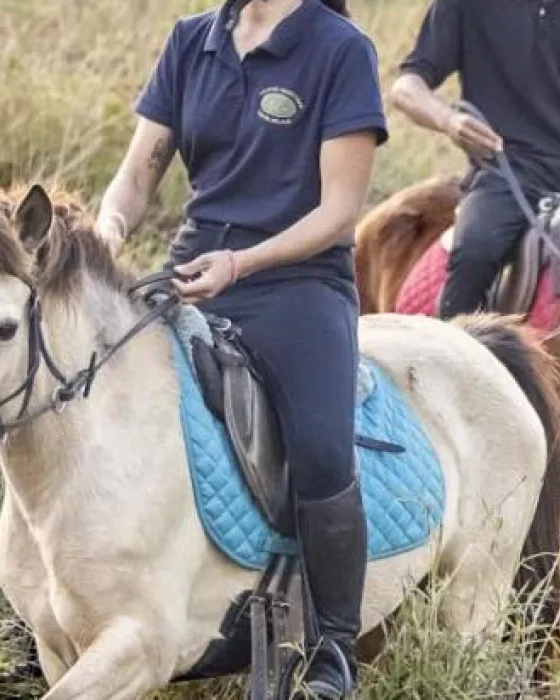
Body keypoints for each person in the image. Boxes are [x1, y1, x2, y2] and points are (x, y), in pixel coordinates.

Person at [93, 0, 385, 695]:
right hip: (190, 270)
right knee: (86, 394)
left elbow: (339, 212)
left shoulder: (341, 48)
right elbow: (138, 175)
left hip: (297, 285)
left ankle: (333, 651)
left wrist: (242, 263)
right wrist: (106, 231)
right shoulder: (192, 40)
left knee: (320, 448)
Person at [390, 0, 560, 319]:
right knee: (476, 250)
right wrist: (447, 120)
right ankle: (453, 354)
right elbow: (406, 87)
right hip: (507, 174)